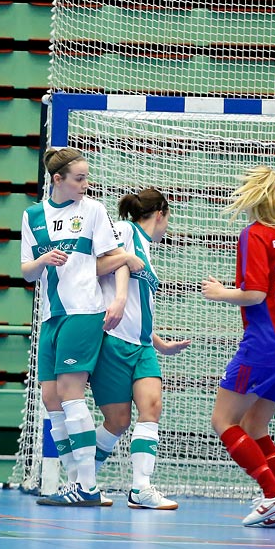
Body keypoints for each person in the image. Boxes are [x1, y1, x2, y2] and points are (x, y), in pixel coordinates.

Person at [202, 165, 275, 529]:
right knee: (255, 424)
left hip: (264, 344)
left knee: (223, 420)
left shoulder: (254, 235)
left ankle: (273, 494)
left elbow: (254, 294)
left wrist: (221, 292)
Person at [22, 147, 144, 508]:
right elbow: (28, 272)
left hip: (83, 311)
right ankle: (75, 481)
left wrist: (124, 266)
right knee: (50, 398)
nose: (86, 184)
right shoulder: (32, 215)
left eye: (87, 176)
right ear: (57, 179)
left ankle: (87, 485)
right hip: (51, 314)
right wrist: (43, 259)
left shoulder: (92, 210)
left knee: (70, 391)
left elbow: (111, 257)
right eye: (79, 178)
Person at [91, 187, 191, 510]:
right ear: (160, 214)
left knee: (152, 407)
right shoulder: (124, 231)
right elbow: (100, 265)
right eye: (168, 219)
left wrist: (159, 342)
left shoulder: (147, 251)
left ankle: (141, 489)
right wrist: (118, 298)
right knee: (117, 422)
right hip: (113, 342)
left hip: (143, 346)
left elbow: (139, 306)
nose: (167, 226)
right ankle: (83, 480)